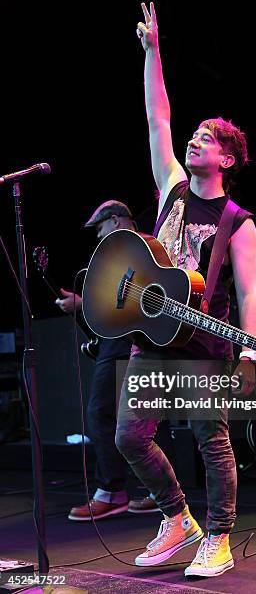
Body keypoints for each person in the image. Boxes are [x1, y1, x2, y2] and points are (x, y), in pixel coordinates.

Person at [114, 2, 256, 578]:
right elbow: (158, 118)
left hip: (204, 343)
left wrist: (248, 352)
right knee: (129, 435)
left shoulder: (238, 221)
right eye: (194, 134)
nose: (194, 140)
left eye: (207, 138)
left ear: (227, 158)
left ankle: (218, 537)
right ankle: (178, 519)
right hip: (153, 332)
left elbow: (248, 295)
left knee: (210, 440)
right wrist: (153, 53)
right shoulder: (171, 185)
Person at [56, 200, 160, 520]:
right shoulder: (132, 249)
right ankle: (159, 490)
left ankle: (114, 492)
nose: (97, 236)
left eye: (99, 229)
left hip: (127, 340)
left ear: (114, 222)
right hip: (135, 340)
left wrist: (82, 302)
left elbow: (129, 296)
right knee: (143, 417)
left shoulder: (134, 247)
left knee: (102, 412)